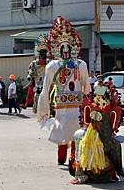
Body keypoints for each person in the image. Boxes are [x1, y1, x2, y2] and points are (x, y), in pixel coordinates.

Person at [38, 16, 91, 165]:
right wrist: (44, 108)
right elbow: (46, 88)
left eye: (68, 47)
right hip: (61, 106)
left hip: (77, 105)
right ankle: (62, 158)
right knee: (62, 133)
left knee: (78, 132)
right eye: (63, 48)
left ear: (73, 48)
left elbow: (87, 86)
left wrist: (89, 106)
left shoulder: (81, 65)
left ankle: (76, 158)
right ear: (57, 49)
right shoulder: (52, 66)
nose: (66, 51)